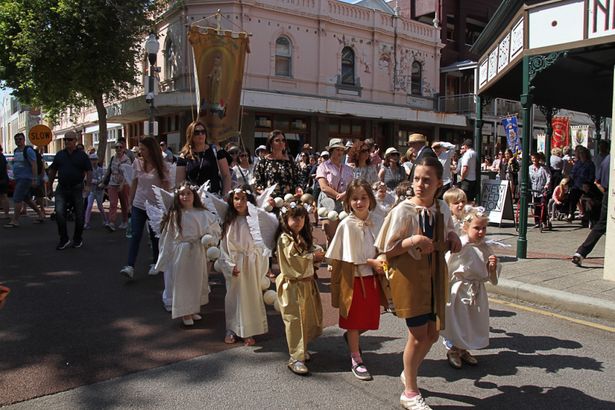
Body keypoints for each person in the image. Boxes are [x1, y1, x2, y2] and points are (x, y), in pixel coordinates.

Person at [375, 156, 461, 410]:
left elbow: (448, 229)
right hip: (411, 277)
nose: (420, 185)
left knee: (433, 333)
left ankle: (408, 371)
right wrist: (412, 241)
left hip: (435, 275)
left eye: (427, 180)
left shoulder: (441, 208)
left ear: (439, 183)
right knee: (417, 334)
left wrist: (453, 235)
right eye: (416, 179)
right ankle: (410, 391)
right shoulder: (403, 210)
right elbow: (386, 249)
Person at [326, 179, 386, 381]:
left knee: (370, 317)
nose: (359, 202)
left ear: (370, 199)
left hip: (373, 277)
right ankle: (356, 357)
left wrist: (381, 258)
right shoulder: (346, 224)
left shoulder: (377, 220)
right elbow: (340, 255)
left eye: (363, 198)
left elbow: (383, 246)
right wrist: (369, 261)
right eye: (355, 199)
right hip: (353, 278)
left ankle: (353, 339)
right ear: (348, 202)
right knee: (353, 320)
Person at [217, 186, 278, 346]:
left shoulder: (255, 221)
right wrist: (230, 266)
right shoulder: (229, 222)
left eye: (243, 198)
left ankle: (248, 331)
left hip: (252, 265)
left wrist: (260, 266)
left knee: (251, 297)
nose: (239, 202)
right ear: (231, 200)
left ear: (250, 201)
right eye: (236, 198)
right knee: (234, 297)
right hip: (236, 265)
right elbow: (223, 248)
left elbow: (263, 244)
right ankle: (231, 328)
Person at [154, 181, 221, 326]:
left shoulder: (203, 213)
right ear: (177, 197)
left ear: (194, 195)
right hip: (182, 252)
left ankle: (193, 309)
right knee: (183, 282)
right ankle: (184, 312)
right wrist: (165, 256)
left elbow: (215, 228)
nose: (185, 197)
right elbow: (168, 236)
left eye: (188, 193)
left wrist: (209, 240)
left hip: (198, 250)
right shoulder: (175, 215)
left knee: (196, 280)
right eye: (182, 194)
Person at [441, 206, 499, 369]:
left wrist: (492, 268)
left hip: (477, 289)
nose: (480, 232)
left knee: (473, 320)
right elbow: (448, 264)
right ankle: (454, 349)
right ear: (466, 228)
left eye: (483, 228)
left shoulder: (485, 247)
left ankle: (463, 349)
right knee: (460, 319)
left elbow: (489, 273)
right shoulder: (460, 246)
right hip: (460, 289)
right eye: (476, 228)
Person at [275, 200, 325, 375]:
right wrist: (313, 257)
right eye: (294, 218)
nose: (298, 221)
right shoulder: (284, 238)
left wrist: (317, 253)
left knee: (305, 317)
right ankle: (295, 357)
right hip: (292, 285)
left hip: (305, 283)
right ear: (286, 219)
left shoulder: (302, 236)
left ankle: (301, 349)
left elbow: (307, 252)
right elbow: (294, 260)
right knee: (294, 319)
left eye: (301, 217)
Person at [120, 137, 172, 279]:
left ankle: (156, 262)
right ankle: (130, 266)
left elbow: (166, 188)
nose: (140, 151)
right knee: (135, 234)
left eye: (143, 149)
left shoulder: (163, 166)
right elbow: (135, 183)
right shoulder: (137, 162)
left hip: (156, 207)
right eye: (140, 148)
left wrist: (167, 207)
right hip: (139, 204)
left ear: (151, 149)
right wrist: (130, 203)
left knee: (155, 236)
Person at [46, 130, 92, 249]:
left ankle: (77, 239)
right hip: (62, 188)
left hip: (77, 188)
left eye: (70, 139)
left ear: (75, 141)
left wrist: (87, 186)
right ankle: (64, 238)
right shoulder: (60, 155)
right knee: (60, 213)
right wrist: (50, 187)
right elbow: (53, 171)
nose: (67, 142)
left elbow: (89, 170)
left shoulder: (82, 155)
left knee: (79, 215)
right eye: (65, 139)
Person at [572, 153, 610, 266]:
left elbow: (597, 181)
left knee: (600, 225)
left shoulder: (607, 159)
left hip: (608, 194)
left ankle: (581, 252)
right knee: (601, 225)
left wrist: (606, 193)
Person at [176, 121, 232, 195]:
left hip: (213, 196)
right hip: (193, 198)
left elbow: (226, 175)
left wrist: (226, 194)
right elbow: (180, 182)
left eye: (203, 132)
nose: (200, 134)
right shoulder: (184, 156)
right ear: (191, 135)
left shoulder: (216, 150)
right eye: (197, 132)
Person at [3, 133, 46, 228]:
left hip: (26, 178)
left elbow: (34, 164)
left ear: (24, 140)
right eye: (17, 139)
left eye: (20, 139)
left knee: (17, 198)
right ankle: (41, 215)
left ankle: (15, 220)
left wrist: (34, 179)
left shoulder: (28, 150)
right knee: (26, 198)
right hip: (18, 178)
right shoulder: (16, 151)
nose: (18, 141)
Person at [315, 138, 354, 243]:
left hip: (344, 202)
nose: (340, 152)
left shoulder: (348, 169)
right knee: (331, 237)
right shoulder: (323, 166)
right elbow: (323, 187)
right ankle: (330, 258)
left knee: (344, 236)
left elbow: (352, 186)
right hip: (328, 201)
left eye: (341, 150)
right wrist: (338, 195)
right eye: (337, 150)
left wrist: (345, 195)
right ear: (331, 151)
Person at [253, 130, 299, 198]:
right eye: (277, 140)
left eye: (283, 140)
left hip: (289, 200)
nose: (281, 143)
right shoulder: (263, 162)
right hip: (270, 201)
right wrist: (266, 196)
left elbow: (297, 179)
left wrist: (298, 189)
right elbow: (257, 184)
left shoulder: (291, 160)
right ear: (271, 143)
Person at [102, 140, 132, 231]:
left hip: (123, 183)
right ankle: (111, 222)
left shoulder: (127, 159)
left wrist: (122, 184)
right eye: (116, 147)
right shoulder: (113, 158)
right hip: (113, 183)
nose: (118, 149)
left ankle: (125, 221)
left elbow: (127, 173)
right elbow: (109, 171)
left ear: (123, 149)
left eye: (120, 147)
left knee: (124, 203)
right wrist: (104, 182)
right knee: (113, 203)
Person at [567, 146, 595, 222]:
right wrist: (569, 179)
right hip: (577, 184)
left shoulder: (590, 163)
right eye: (580, 153)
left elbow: (592, 175)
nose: (582, 155)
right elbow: (573, 173)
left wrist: (587, 183)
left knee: (586, 199)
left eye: (583, 153)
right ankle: (570, 213)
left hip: (586, 185)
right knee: (572, 196)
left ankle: (587, 216)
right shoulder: (577, 163)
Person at [84, 153, 109, 229]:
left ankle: (105, 220)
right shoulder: (88, 170)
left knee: (100, 206)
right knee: (89, 206)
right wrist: (95, 181)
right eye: (92, 160)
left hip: (99, 191)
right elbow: (85, 179)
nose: (93, 161)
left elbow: (104, 178)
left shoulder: (101, 169)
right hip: (91, 190)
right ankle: (86, 223)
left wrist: (101, 183)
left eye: (95, 160)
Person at [529, 153, 551, 229]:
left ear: (538, 159)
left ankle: (544, 221)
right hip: (534, 190)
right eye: (532, 158)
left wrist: (547, 185)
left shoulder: (543, 168)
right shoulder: (530, 168)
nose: (534, 160)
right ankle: (537, 221)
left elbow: (548, 177)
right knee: (536, 206)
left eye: (535, 158)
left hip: (542, 190)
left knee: (543, 205)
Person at [459, 139, 478, 203]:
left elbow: (465, 167)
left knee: (464, 199)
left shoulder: (467, 154)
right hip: (474, 179)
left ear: (466, 146)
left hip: (467, 179)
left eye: (463, 147)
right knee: (470, 199)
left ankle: (465, 212)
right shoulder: (475, 153)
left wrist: (462, 177)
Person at [0, 146, 9, 220]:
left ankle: (6, 214)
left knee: (3, 197)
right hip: (4, 178)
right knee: (4, 196)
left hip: (1, 179)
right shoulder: (2, 156)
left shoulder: (1, 157)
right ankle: (6, 213)